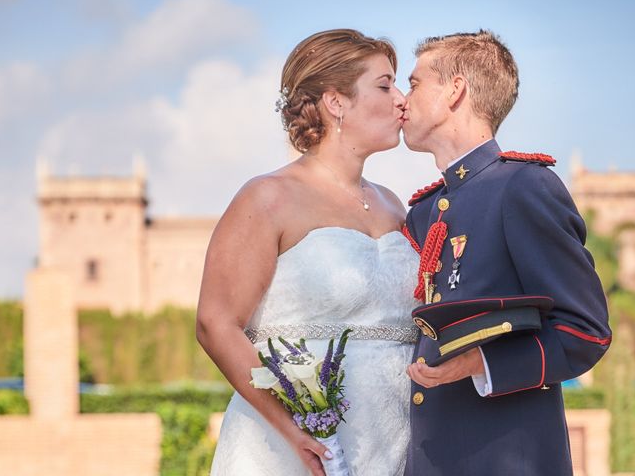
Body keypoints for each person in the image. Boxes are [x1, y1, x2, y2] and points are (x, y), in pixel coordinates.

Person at [196, 29, 419, 475]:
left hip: (391, 443)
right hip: (290, 447)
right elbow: (215, 323)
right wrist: (295, 429)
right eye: (384, 84)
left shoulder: (395, 205)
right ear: (336, 101)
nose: (401, 99)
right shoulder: (268, 198)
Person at [401, 30, 612, 476]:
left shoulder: (523, 187)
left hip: (505, 460)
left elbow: (585, 331)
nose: (403, 99)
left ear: (455, 89)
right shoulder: (423, 211)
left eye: (415, 83)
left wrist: (479, 363)